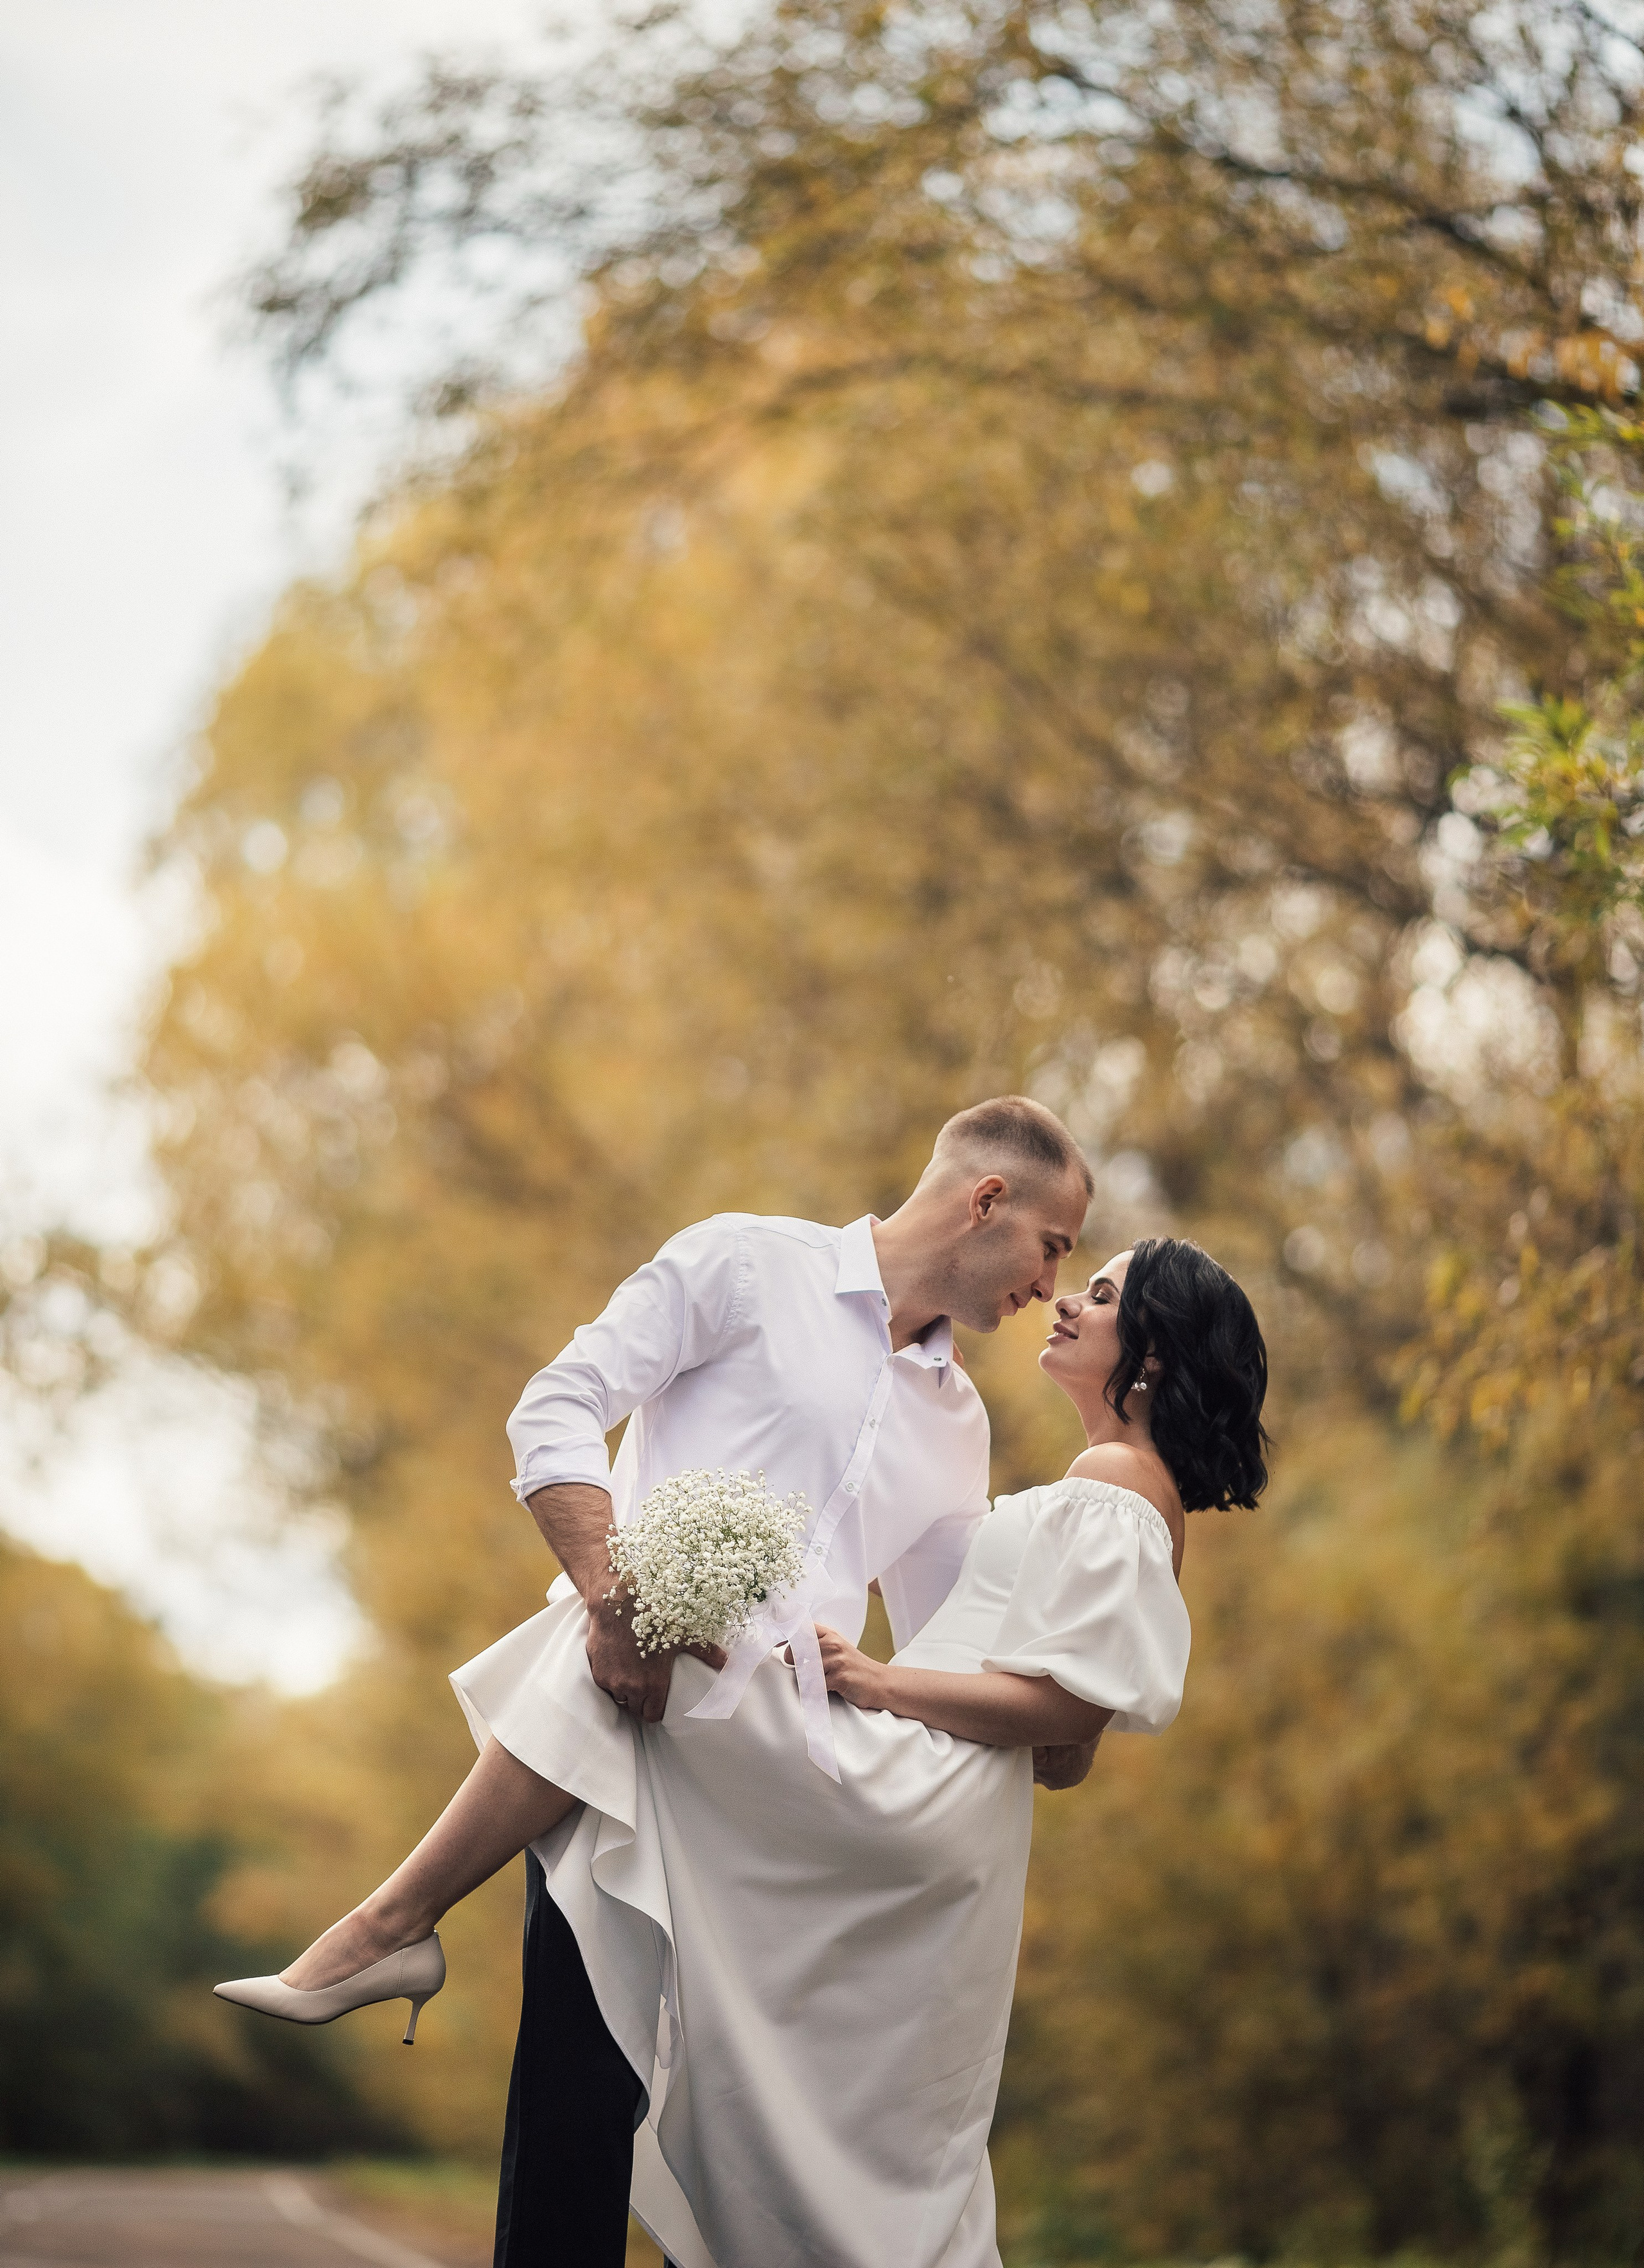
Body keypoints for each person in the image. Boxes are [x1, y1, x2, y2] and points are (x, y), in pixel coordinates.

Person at [218, 1220, 1269, 2268]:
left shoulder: (1117, 1483)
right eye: (1066, 1269)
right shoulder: (1102, 1480)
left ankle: (390, 1925)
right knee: (625, 1642)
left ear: (1157, 1350)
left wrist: (875, 1680)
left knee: (630, 1637)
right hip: (930, 1780)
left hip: (919, 1783)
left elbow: (1072, 1721)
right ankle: (396, 1930)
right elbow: (1063, 1750)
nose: (1063, 1298)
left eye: (1098, 1289)